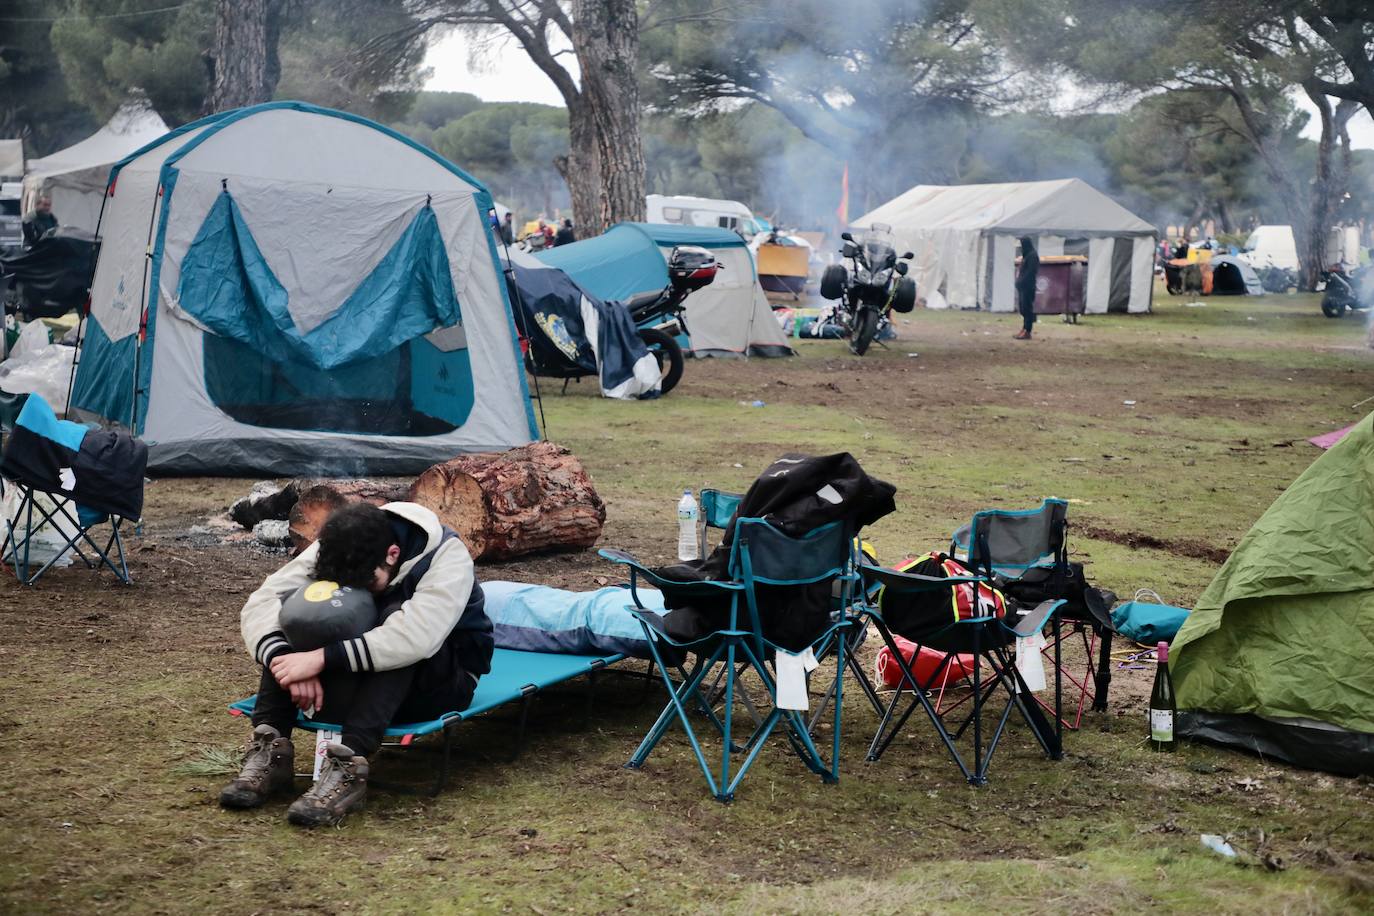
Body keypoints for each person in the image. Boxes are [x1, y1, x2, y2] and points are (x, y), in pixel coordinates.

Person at [221, 501, 492, 827]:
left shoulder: (447, 556)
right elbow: (263, 601)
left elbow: (417, 638)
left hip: (443, 681)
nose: (359, 594)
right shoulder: (340, 542)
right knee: (303, 611)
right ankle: (271, 750)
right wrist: (286, 661)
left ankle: (348, 765)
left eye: (368, 584)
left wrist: (318, 658)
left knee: (398, 625)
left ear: (392, 554)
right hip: (359, 677)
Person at [1013, 236, 1039, 341]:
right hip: (1023, 287)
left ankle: (1027, 331)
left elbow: (1030, 273)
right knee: (1023, 309)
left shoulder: (1032, 256)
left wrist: (1022, 282)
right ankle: (1024, 329)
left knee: (1027, 309)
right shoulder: (1027, 256)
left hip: (1028, 287)